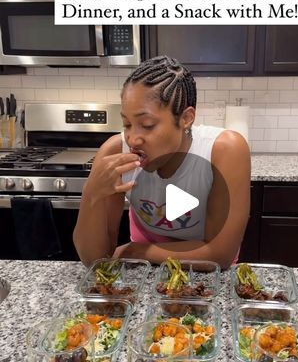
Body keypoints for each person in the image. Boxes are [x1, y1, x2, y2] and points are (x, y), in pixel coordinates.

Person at [73, 56, 250, 269]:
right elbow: (95, 260)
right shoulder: (114, 152)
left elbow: (219, 255)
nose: (132, 139)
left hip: (204, 272)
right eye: (127, 124)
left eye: (147, 125)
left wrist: (137, 250)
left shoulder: (224, 150)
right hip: (144, 270)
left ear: (186, 118)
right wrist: (91, 194)